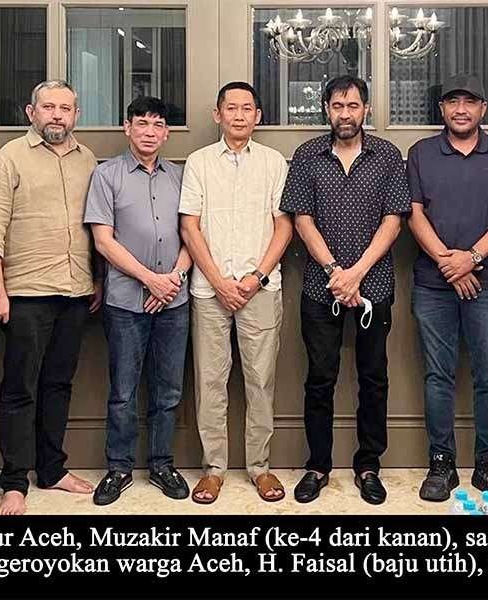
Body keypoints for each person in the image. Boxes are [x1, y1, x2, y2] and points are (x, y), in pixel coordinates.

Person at [281, 75, 411, 506]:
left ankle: (368, 465)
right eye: (337, 106)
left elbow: (393, 221)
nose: (345, 114)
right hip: (322, 289)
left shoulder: (387, 155)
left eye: (353, 106)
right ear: (326, 109)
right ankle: (317, 466)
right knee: (320, 379)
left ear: (366, 109)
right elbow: (302, 220)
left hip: (374, 285)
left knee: (374, 379)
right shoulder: (307, 156)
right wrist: (336, 272)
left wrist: (357, 273)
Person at [0, 80, 103, 516]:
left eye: (65, 108)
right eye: (48, 107)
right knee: (19, 388)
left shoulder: (87, 159)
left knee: (58, 385)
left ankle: (51, 470)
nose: (57, 115)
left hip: (75, 292)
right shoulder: (10, 157)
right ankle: (14, 482)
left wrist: (97, 279)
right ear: (31, 112)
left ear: (76, 115)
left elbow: (96, 226)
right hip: (25, 293)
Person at [406, 75, 488, 500]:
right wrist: (449, 262)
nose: (460, 109)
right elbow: (414, 214)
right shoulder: (421, 153)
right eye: (452, 102)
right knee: (437, 375)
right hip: (433, 285)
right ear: (442, 109)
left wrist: (470, 258)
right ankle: (441, 464)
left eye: (469, 102)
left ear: (482, 109)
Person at [179, 82, 292, 504]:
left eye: (247, 108)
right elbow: (189, 225)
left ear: (257, 116)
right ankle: (214, 469)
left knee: (261, 381)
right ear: (218, 114)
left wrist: (256, 277)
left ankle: (260, 467)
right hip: (210, 291)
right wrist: (218, 281)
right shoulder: (199, 162)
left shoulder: (273, 162)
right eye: (231, 108)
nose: (239, 115)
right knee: (210, 381)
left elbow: (284, 225)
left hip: (260, 288)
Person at [84, 97, 192, 505]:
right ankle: (119, 467)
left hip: (174, 301)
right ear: (127, 127)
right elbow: (103, 241)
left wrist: (173, 280)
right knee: (124, 392)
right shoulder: (106, 175)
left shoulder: (180, 176)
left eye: (157, 124)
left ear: (167, 133)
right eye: (141, 123)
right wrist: (150, 281)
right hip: (126, 302)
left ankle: (162, 464)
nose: (149, 131)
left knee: (169, 390)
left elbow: (193, 234)